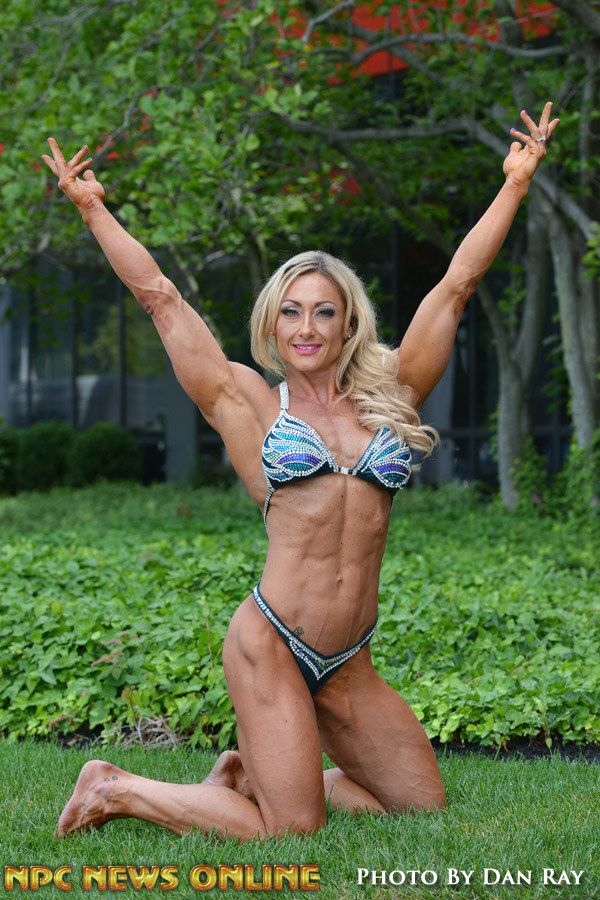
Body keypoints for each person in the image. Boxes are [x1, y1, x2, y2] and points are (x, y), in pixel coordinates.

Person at [43, 102, 559, 841]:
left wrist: (514, 183)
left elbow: (456, 286)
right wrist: (92, 207)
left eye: (324, 312)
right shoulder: (250, 403)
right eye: (291, 312)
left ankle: (243, 776)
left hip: (349, 658)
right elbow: (160, 298)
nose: (307, 327)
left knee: (419, 808)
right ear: (272, 325)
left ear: (349, 324)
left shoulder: (391, 397)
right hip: (274, 640)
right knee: (290, 834)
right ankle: (115, 787)